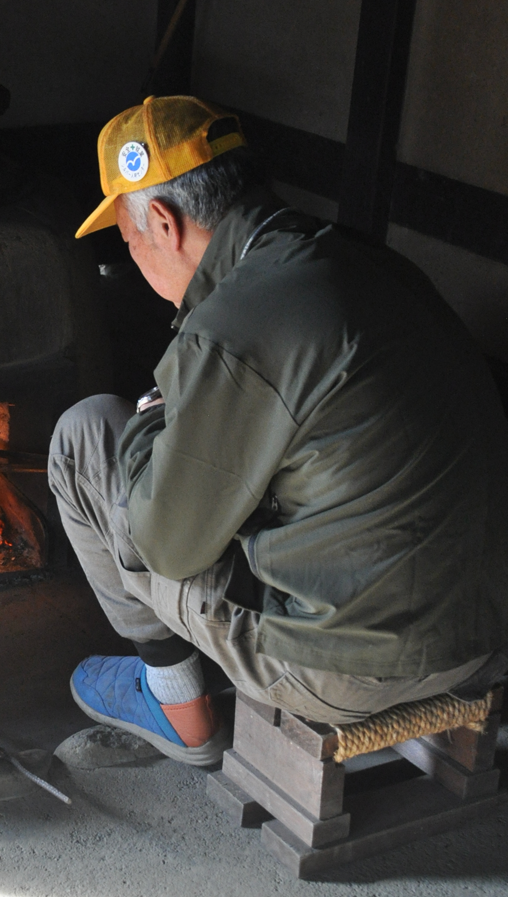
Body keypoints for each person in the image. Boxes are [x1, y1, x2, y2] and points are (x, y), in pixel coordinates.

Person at [50, 95, 508, 766]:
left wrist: (154, 411)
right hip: (484, 633)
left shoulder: (237, 325)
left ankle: (176, 706)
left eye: (128, 244)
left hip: (349, 671)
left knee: (85, 437)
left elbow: (164, 544)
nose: (137, 262)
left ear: (162, 222)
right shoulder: (365, 261)